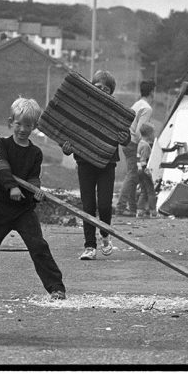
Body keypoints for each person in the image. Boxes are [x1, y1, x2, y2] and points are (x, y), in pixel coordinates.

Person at [0, 98, 66, 300]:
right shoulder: (2, 144)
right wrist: (12, 187)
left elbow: (33, 177)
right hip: (0, 208)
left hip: (24, 210)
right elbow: (0, 166)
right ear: (10, 122)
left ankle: (56, 288)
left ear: (34, 127)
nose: (23, 129)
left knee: (39, 247)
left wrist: (36, 191)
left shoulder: (35, 153)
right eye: (19, 124)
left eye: (28, 125)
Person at [62, 70, 131, 260]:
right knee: (88, 205)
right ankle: (89, 246)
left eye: (106, 89)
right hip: (84, 163)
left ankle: (105, 234)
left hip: (107, 164)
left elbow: (125, 137)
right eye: (98, 87)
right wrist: (66, 148)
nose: (101, 91)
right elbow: (68, 135)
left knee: (105, 205)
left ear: (111, 93)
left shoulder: (116, 112)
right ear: (91, 87)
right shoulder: (80, 110)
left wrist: (124, 138)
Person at [115, 80, 155, 217]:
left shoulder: (137, 104)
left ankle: (132, 208)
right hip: (133, 143)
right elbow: (140, 131)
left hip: (127, 141)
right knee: (132, 175)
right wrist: (145, 144)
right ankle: (120, 207)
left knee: (133, 176)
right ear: (152, 92)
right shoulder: (147, 108)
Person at [136, 123, 158, 218]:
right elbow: (143, 160)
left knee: (143, 191)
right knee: (151, 191)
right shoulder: (146, 146)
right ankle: (153, 212)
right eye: (153, 133)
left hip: (139, 170)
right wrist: (147, 171)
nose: (154, 135)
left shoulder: (140, 143)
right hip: (144, 170)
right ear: (149, 134)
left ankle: (140, 211)